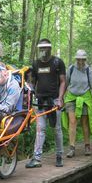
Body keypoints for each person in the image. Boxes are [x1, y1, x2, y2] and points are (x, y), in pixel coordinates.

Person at [26, 38, 66, 168]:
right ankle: (37, 159)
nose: (43, 51)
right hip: (40, 101)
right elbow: (33, 81)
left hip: (54, 101)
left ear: (50, 49)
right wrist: (30, 91)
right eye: (41, 48)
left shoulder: (57, 62)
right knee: (40, 130)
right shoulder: (36, 64)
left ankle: (59, 156)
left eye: (45, 48)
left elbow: (63, 81)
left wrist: (60, 98)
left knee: (57, 129)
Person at [63, 49, 92, 157]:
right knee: (72, 122)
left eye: (83, 60)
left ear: (85, 60)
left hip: (85, 98)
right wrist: (60, 98)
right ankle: (72, 148)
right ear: (76, 59)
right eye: (79, 60)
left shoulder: (88, 70)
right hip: (71, 98)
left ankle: (87, 146)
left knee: (84, 123)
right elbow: (65, 84)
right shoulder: (71, 69)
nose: (81, 62)